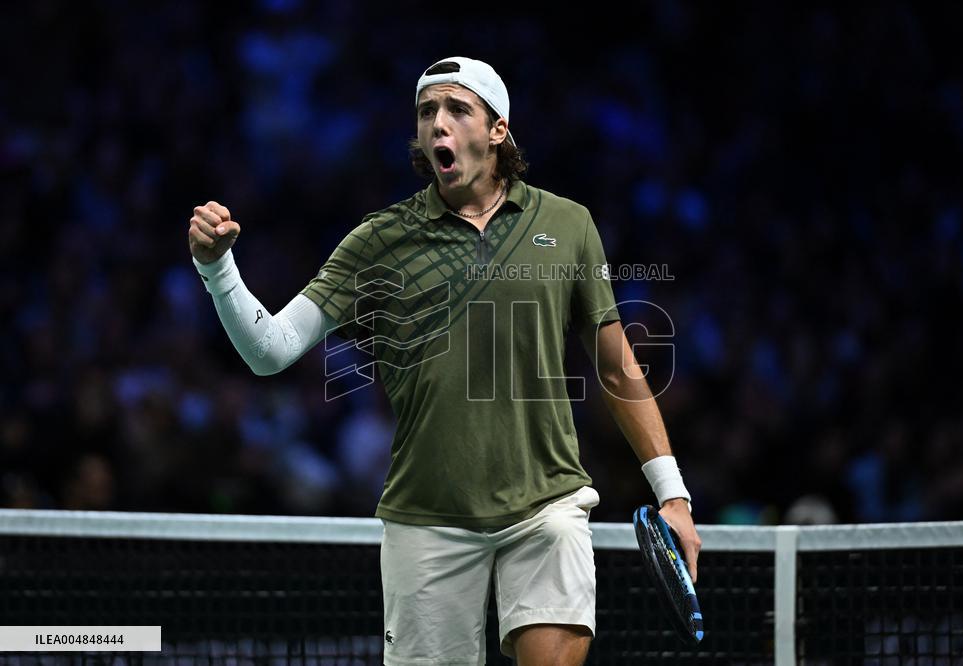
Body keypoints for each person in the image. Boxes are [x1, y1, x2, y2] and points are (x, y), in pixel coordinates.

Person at [188, 56, 701, 666]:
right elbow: (270, 351)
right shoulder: (380, 239)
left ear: (497, 130)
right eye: (427, 111)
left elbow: (617, 368)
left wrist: (673, 495)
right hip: (426, 521)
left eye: (457, 109)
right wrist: (217, 268)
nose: (438, 124)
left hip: (547, 508)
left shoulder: (567, 225)